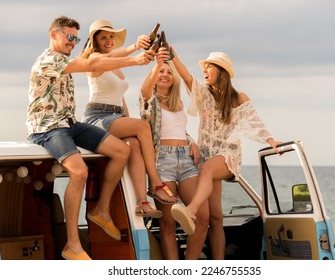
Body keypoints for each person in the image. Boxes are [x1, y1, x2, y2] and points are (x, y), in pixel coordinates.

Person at [26, 16, 155, 260]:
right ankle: (72, 245)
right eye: (69, 37)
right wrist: (136, 59)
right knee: (79, 172)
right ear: (54, 34)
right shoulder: (48, 60)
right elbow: (90, 65)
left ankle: (102, 210)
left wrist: (136, 49)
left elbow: (102, 59)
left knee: (121, 150)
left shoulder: (65, 58)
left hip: (70, 124)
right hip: (48, 128)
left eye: (76, 38)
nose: (73, 42)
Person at [169, 49, 283, 259]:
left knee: (207, 169)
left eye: (209, 66)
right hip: (206, 157)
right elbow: (185, 75)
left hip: (227, 155)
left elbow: (254, 120)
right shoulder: (203, 93)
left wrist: (270, 140)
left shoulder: (238, 98)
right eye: (204, 67)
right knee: (215, 218)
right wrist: (171, 55)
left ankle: (190, 210)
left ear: (222, 71)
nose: (205, 70)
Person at [81, 20, 176, 218]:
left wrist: (130, 122)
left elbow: (119, 98)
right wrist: (135, 48)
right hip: (97, 116)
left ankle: (141, 201)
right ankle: (156, 183)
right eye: (103, 37)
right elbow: (114, 56)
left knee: (134, 143)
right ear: (95, 42)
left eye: (110, 37)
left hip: (115, 116)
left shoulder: (115, 65)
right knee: (142, 127)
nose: (108, 41)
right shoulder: (94, 59)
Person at [139, 48, 209, 260]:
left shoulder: (178, 103)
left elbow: (178, 130)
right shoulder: (149, 102)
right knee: (168, 223)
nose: (165, 75)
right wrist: (156, 64)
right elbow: (145, 90)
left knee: (202, 217)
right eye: (161, 71)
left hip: (186, 161)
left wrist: (191, 141)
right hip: (162, 162)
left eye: (169, 72)